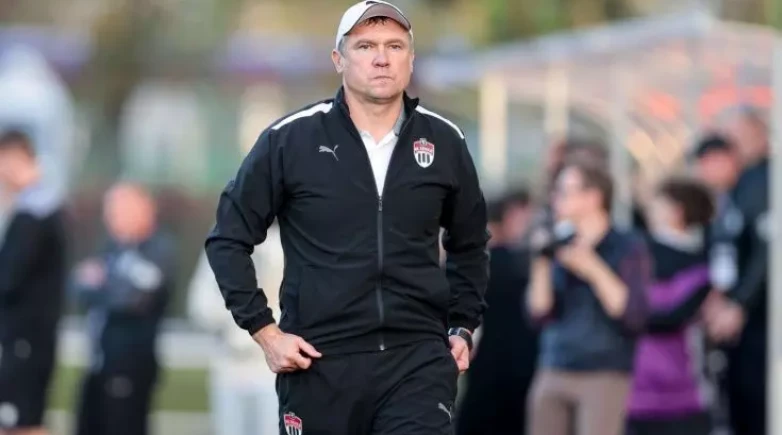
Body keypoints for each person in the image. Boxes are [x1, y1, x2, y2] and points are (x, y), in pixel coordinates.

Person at [204, 1, 490, 434]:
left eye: (395, 46)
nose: (382, 57)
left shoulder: (445, 141)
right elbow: (228, 238)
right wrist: (265, 331)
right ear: (339, 59)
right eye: (366, 46)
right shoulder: (290, 140)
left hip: (417, 362)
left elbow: (470, 243)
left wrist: (463, 325)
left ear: (411, 59)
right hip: (319, 362)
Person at [526, 159, 650, 435]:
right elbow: (538, 312)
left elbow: (632, 313)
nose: (556, 198)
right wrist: (540, 262)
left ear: (593, 197)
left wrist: (591, 267)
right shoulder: (556, 245)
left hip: (604, 370)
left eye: (565, 191)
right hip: (554, 364)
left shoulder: (627, 246)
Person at [72, 183, 174, 435]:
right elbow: (79, 286)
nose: (110, 218)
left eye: (118, 210)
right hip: (100, 360)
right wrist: (106, 285)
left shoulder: (158, 249)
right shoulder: (113, 248)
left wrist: (104, 283)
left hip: (130, 362)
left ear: (144, 209)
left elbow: (134, 300)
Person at [700, 107, 770, 435]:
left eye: (739, 136)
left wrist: (739, 303)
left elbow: (767, 250)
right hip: (738, 318)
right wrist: (719, 296)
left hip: (762, 318)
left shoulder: (765, 181)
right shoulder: (735, 189)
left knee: (758, 402)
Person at [626, 177, 715, 435]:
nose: (650, 211)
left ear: (677, 211)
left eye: (657, 204)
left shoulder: (697, 266)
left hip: (681, 394)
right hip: (637, 394)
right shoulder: (636, 254)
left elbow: (668, 316)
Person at [187, 222, 284, 435]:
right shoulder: (221, 241)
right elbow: (200, 303)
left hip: (270, 369)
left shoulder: (283, 242)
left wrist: (264, 330)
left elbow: (289, 304)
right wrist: (237, 324)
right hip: (228, 366)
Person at [0, 130, 67, 435]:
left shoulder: (36, 213)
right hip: (28, 337)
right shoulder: (35, 210)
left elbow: (9, 277)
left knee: (22, 424)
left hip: (27, 339)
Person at [457, 189, 538, 435]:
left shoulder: (465, 266)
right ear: (511, 216)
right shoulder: (520, 265)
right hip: (518, 370)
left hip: (484, 371)